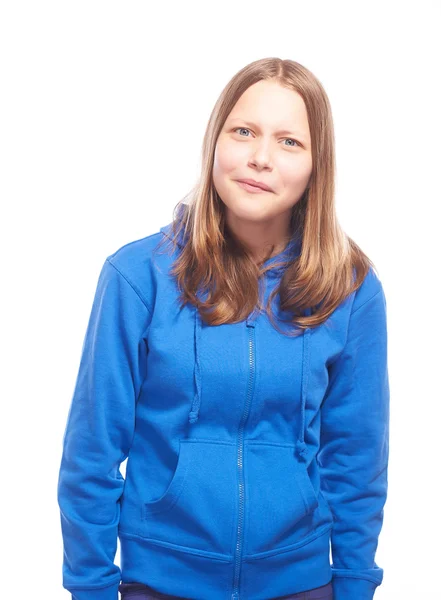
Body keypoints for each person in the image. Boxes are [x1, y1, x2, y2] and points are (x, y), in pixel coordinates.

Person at [57, 57, 389, 600]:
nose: (260, 157)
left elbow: (358, 461)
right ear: (216, 141)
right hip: (159, 583)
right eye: (244, 132)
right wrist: (91, 588)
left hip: (301, 584)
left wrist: (354, 586)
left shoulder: (350, 288)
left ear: (316, 166)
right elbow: (91, 453)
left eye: (289, 142)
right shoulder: (138, 277)